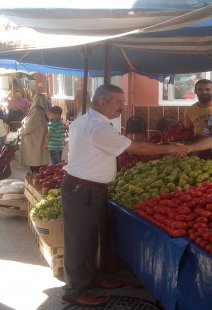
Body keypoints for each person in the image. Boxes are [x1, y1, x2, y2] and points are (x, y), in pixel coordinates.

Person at [61, 84, 188, 307]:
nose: (123, 105)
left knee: (94, 237)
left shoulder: (89, 120)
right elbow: (136, 148)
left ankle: (94, 277)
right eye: (118, 101)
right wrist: (170, 148)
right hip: (83, 190)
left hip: (92, 189)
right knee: (80, 241)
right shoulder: (96, 127)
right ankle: (76, 290)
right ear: (102, 102)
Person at [18, 95, 50, 172]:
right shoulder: (43, 111)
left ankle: (35, 179)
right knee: (39, 161)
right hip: (38, 138)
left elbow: (29, 126)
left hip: (34, 140)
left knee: (35, 162)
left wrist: (20, 131)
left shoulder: (36, 111)